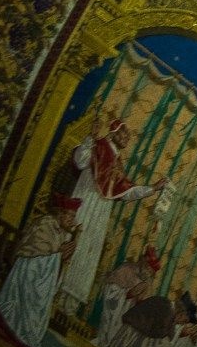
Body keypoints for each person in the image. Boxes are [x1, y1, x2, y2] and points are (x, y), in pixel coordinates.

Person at [53, 117, 165, 314]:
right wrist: (90, 139)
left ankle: (69, 303)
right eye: (123, 134)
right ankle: (54, 290)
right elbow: (80, 162)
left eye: (128, 136)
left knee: (89, 249)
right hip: (85, 200)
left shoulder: (117, 163)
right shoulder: (98, 146)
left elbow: (127, 190)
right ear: (113, 132)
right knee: (73, 241)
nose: (126, 138)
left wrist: (152, 189)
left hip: (101, 212)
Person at [0, 195, 80, 347]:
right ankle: (15, 326)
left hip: (41, 272)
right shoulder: (46, 223)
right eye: (70, 216)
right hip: (29, 269)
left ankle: (24, 333)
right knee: (32, 294)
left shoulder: (58, 229)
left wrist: (62, 253)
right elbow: (39, 247)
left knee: (41, 297)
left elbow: (54, 253)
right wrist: (59, 252)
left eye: (74, 217)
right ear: (60, 213)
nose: (72, 220)